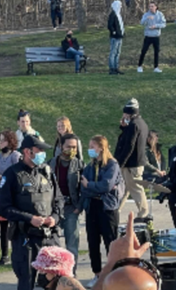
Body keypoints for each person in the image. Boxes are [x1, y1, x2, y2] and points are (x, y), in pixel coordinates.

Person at [0, 135, 60, 290]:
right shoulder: (12, 174)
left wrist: (55, 218)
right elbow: (3, 208)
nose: (42, 154)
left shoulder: (47, 172)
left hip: (49, 238)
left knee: (58, 284)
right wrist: (29, 219)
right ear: (27, 152)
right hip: (25, 239)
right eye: (38, 150)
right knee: (26, 284)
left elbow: (59, 201)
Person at [81, 135, 123, 276]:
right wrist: (92, 187)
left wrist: (90, 185)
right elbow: (83, 185)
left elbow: (106, 185)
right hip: (92, 205)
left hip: (107, 207)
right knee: (93, 242)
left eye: (92, 147)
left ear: (101, 148)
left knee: (110, 242)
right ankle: (97, 273)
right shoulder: (91, 166)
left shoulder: (112, 165)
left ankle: (114, 272)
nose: (90, 150)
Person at [0, 130, 22, 266]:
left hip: (14, 195)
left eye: (3, 140)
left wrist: (1, 176)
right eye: (0, 140)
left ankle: (17, 254)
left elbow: (16, 173)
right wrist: (3, 177)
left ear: (10, 141)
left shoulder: (15, 155)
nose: (1, 143)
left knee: (15, 225)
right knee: (3, 226)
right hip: (1, 193)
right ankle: (4, 255)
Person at [115, 98, 151, 219]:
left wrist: (120, 163)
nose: (123, 115)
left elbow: (128, 146)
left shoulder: (133, 126)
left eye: (125, 113)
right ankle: (116, 210)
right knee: (125, 188)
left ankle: (143, 212)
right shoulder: (142, 123)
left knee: (135, 188)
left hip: (131, 164)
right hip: (136, 162)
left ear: (130, 113)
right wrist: (124, 128)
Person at [53, 134, 84, 272]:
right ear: (61, 147)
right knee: (53, 244)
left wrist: (79, 207)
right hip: (53, 209)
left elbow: (85, 189)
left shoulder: (79, 165)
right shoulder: (51, 164)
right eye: (68, 147)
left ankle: (71, 273)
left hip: (71, 208)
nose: (71, 150)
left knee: (72, 244)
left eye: (74, 147)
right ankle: (53, 273)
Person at [137, 2, 166, 74]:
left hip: (156, 36)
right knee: (143, 51)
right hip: (148, 36)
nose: (151, 8)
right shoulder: (146, 14)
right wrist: (147, 18)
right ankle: (139, 66)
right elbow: (141, 23)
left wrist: (156, 26)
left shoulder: (160, 14)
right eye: (149, 6)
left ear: (156, 7)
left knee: (156, 52)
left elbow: (164, 24)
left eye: (152, 6)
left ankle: (156, 67)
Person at [107, 0, 124, 75]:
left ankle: (116, 67)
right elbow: (110, 25)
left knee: (118, 52)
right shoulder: (112, 14)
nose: (121, 7)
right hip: (115, 37)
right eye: (119, 5)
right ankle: (112, 68)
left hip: (120, 36)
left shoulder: (118, 14)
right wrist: (114, 32)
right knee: (113, 52)